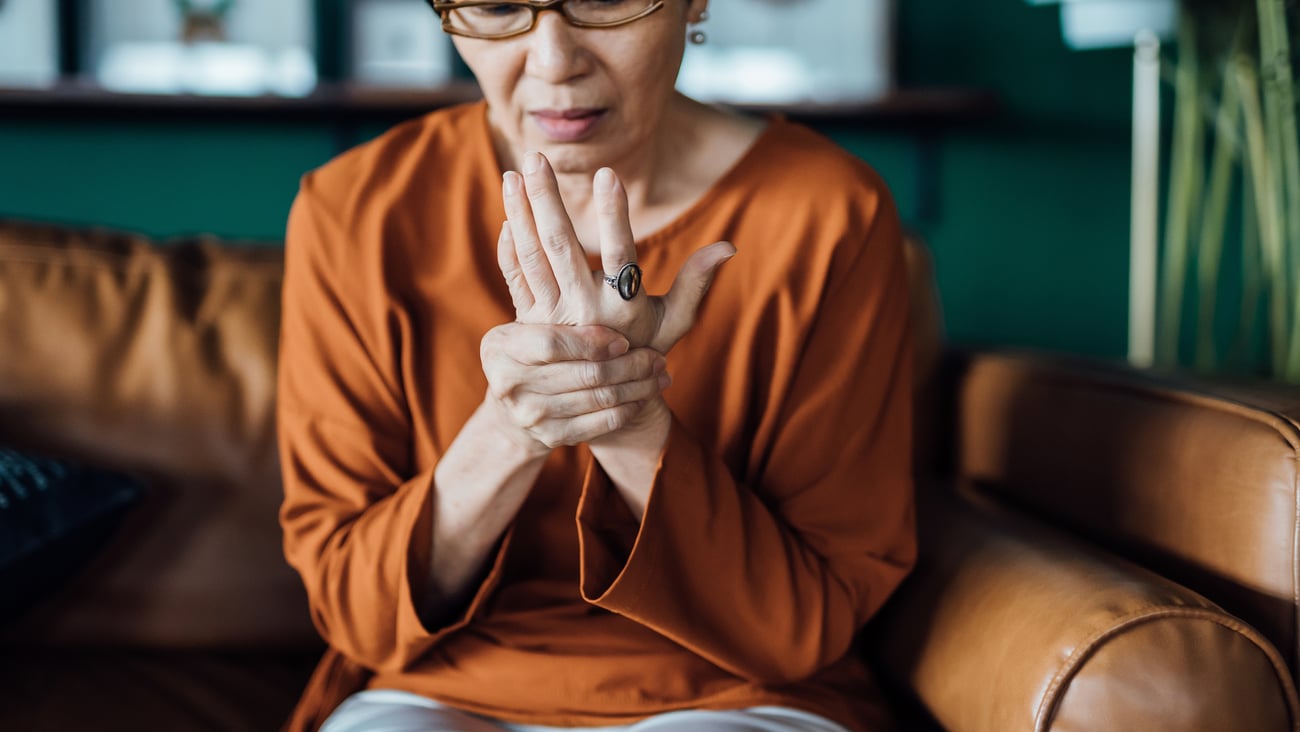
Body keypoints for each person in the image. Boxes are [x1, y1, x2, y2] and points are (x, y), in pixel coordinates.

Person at [276, 0, 917, 730]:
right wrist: (514, 426)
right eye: (496, 6)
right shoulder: (354, 211)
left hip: (739, 693)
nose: (553, 60)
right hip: (438, 689)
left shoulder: (829, 213)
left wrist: (628, 413)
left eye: (605, 1)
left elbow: (807, 625)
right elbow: (354, 611)